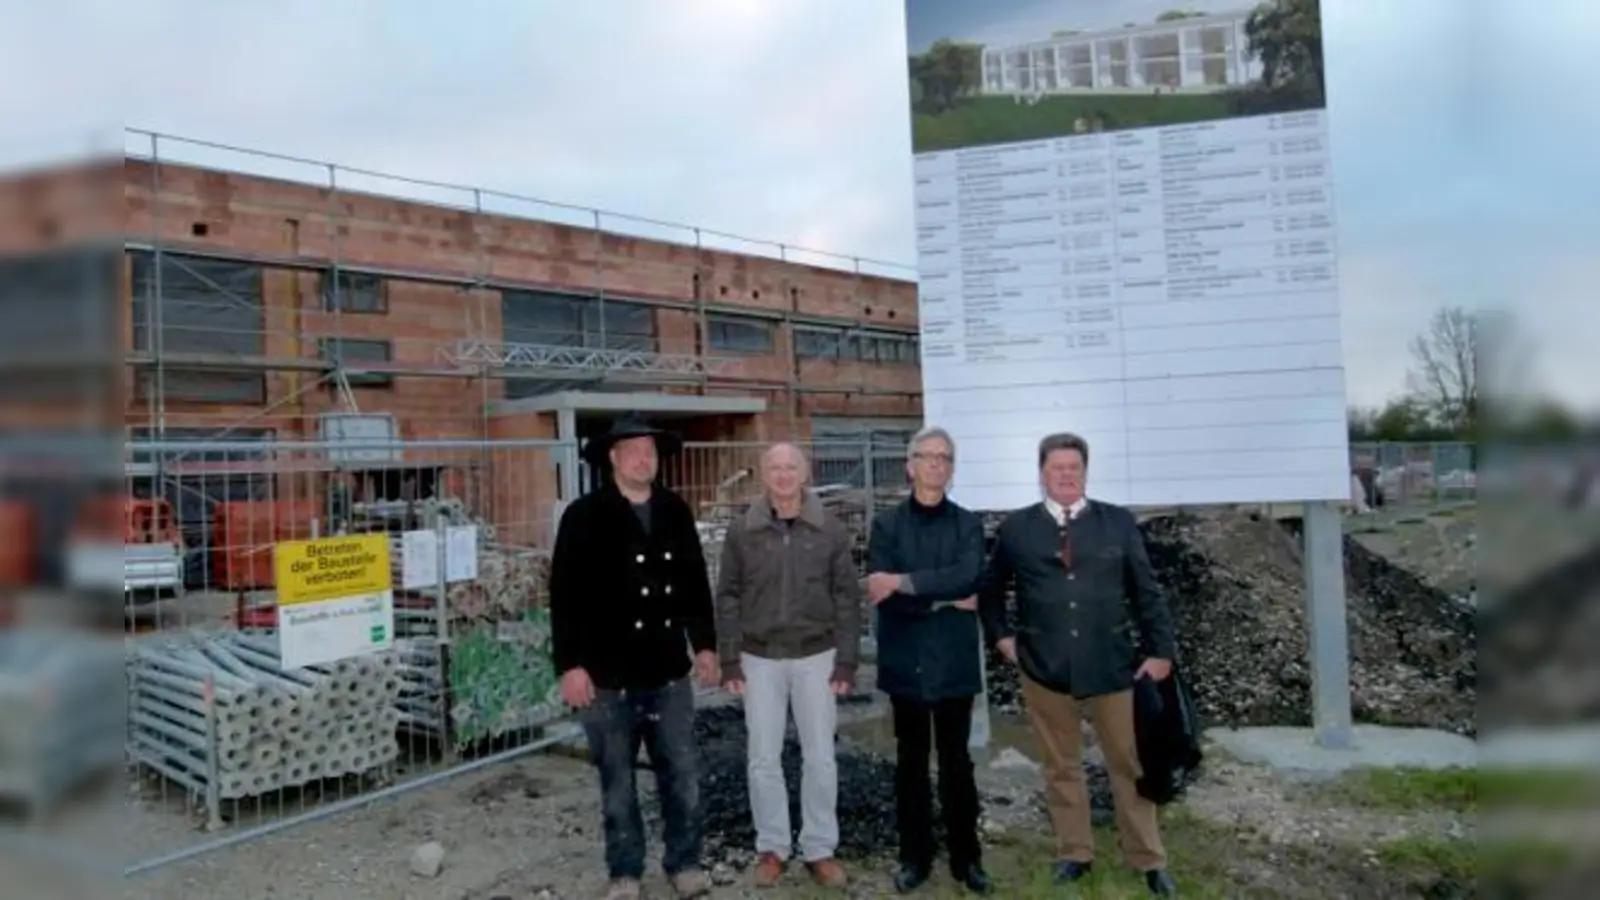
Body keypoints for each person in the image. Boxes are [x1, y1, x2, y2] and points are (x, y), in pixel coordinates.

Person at [979, 432, 1181, 897]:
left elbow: (1147, 592)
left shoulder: (1118, 524)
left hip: (1112, 669)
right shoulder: (1017, 530)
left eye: (1074, 468)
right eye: (1057, 468)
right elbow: (991, 592)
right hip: (1045, 670)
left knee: (1129, 764)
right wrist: (1003, 639)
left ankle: (1148, 858)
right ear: (1042, 473)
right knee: (1061, 766)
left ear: (1085, 472)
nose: (1066, 475)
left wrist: (1161, 651)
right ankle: (1075, 852)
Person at [548, 414, 721, 900]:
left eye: (651, 450)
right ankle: (625, 872)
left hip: (667, 672)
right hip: (607, 677)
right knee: (618, 783)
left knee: (682, 774)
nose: (645, 458)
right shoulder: (584, 516)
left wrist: (704, 644)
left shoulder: (674, 511)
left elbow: (693, 584)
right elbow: (564, 597)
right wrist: (570, 666)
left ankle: (684, 863)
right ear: (614, 457)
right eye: (634, 450)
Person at [714, 442, 862, 889]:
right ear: (763, 475)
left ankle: (819, 847)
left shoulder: (830, 531)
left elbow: (847, 600)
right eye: (774, 467)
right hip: (759, 660)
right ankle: (773, 846)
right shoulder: (743, 532)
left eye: (790, 467)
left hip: (817, 657)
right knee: (763, 758)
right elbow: (728, 597)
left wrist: (847, 663)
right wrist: (729, 660)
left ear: (805, 473)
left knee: (820, 757)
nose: (782, 475)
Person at [865, 426, 993, 894]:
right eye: (927, 456)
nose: (936, 464)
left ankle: (967, 859)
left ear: (952, 468)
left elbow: (970, 575)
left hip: (955, 664)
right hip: (907, 664)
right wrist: (941, 595)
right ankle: (914, 857)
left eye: (945, 457)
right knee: (911, 765)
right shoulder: (887, 525)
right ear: (910, 464)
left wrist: (905, 583)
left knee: (958, 764)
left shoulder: (968, 524)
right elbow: (882, 595)